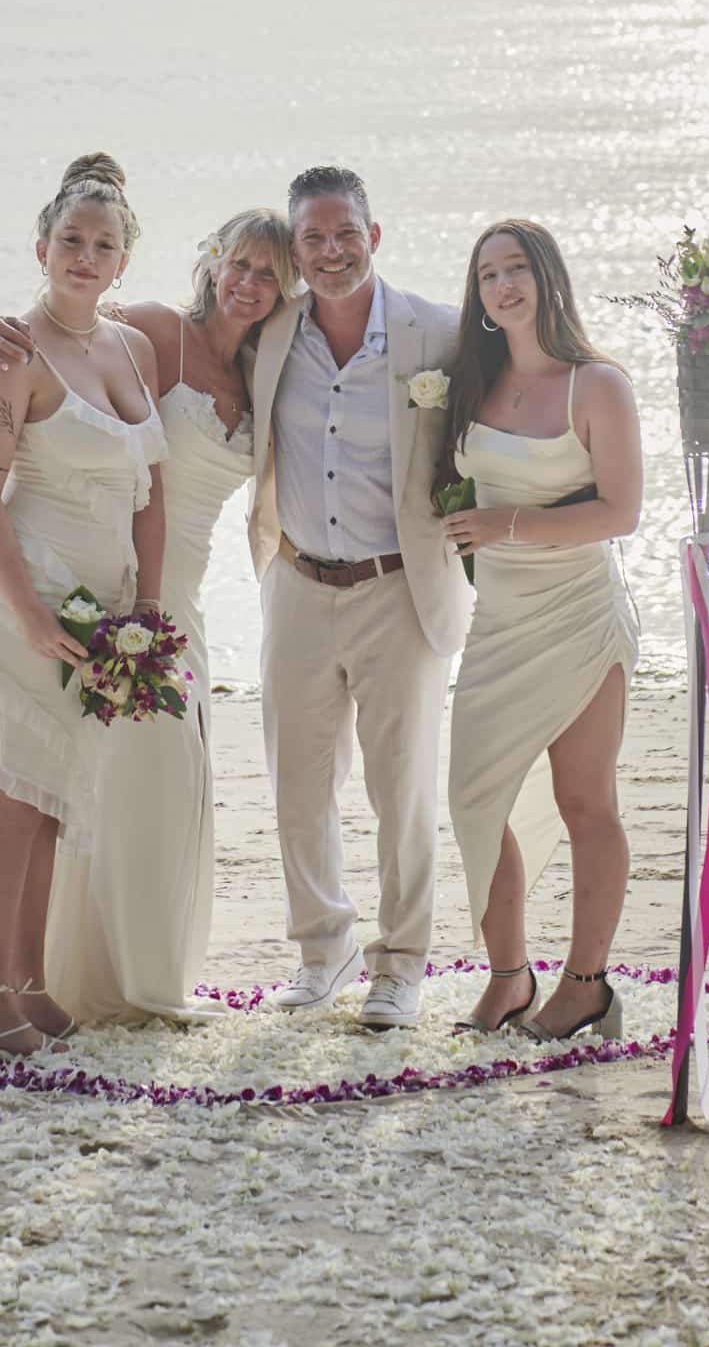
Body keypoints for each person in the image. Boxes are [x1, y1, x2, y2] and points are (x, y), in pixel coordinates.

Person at [0, 208, 296, 1020]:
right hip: (104, 588)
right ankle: (48, 980)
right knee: (73, 781)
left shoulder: (269, 369)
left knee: (149, 784)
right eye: (238, 263)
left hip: (170, 601)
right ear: (211, 261)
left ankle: (133, 978)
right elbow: (64, 331)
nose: (248, 283)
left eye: (268, 273)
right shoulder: (153, 329)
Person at [245, 165, 473, 1030]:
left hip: (398, 588)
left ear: (373, 236)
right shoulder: (270, 333)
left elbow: (522, 386)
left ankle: (400, 964)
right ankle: (323, 950)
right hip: (296, 582)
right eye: (313, 238)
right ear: (295, 250)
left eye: (346, 234)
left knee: (400, 788)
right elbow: (168, 340)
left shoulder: (437, 334)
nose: (331, 251)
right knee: (298, 783)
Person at [0, 152, 167, 1057]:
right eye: (70, 240)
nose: (85, 256)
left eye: (103, 245)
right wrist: (33, 616)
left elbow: (149, 492)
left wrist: (143, 613)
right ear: (40, 247)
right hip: (26, 598)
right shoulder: (13, 354)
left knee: (54, 799)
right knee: (15, 793)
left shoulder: (134, 347)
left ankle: (28, 983)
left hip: (102, 614)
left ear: (124, 260)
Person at [441, 219, 642, 1041]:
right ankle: (508, 975)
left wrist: (507, 526)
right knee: (472, 796)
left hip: (578, 613)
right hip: (498, 622)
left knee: (584, 800)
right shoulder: (470, 384)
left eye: (516, 268)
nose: (502, 285)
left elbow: (619, 513)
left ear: (547, 277)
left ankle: (585, 984)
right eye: (488, 274)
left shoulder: (596, 385)